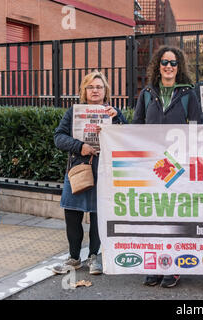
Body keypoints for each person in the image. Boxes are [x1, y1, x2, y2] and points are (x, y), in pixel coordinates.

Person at [133, 45, 201, 287]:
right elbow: (137, 127)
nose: (169, 67)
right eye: (164, 62)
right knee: (153, 217)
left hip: (177, 166)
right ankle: (154, 265)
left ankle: (172, 266)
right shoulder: (147, 93)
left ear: (179, 66)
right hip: (152, 164)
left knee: (173, 217)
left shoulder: (189, 94)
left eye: (173, 63)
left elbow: (196, 129)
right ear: (158, 65)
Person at [53, 71, 127, 275]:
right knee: (72, 213)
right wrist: (79, 146)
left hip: (103, 170)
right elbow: (58, 137)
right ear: (84, 91)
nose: (95, 90)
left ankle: (94, 257)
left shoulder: (113, 112)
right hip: (78, 170)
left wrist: (118, 118)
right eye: (91, 87)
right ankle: (74, 258)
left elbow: (126, 137)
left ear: (106, 91)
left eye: (99, 87)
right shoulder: (73, 112)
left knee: (97, 214)